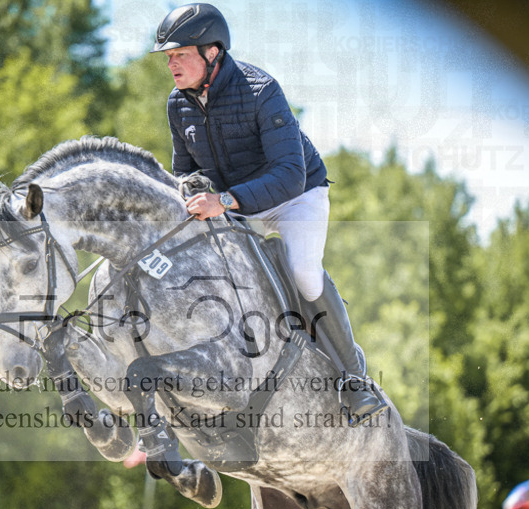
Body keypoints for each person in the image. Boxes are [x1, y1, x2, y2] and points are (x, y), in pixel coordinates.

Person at [152, 3, 387, 424]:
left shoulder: (261, 90)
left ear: (212, 52)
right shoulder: (177, 104)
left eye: (180, 54)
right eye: (169, 57)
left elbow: (290, 175)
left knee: (302, 274)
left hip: (296, 196)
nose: (172, 64)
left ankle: (354, 378)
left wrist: (223, 202)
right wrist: (189, 195)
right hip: (235, 203)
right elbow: (184, 170)